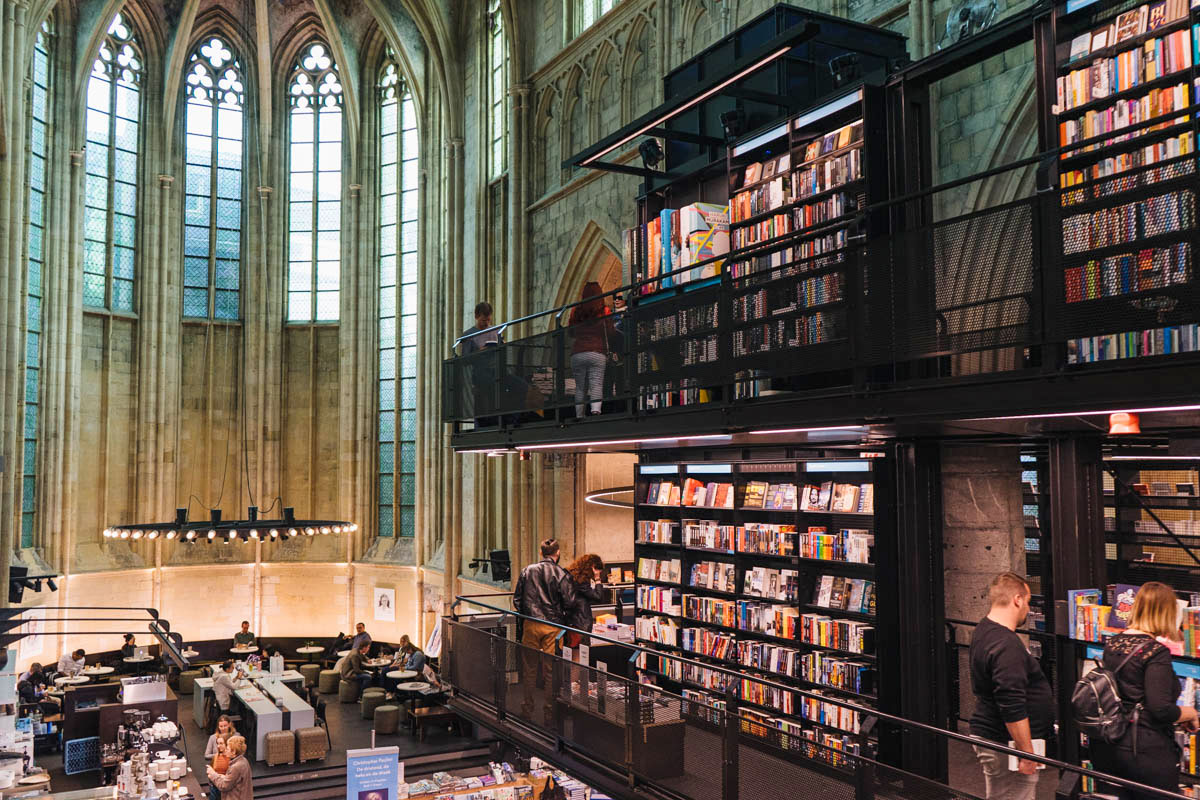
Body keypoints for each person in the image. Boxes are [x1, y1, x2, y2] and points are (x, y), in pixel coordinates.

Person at [1091, 581, 1200, 800]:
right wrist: (1190, 713)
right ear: (1166, 613)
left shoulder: (1114, 644)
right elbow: (1160, 708)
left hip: (1110, 746)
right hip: (1144, 750)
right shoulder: (1154, 652)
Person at [968, 572, 1054, 800]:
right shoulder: (1006, 644)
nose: (1027, 608)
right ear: (1017, 599)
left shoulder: (984, 630)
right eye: (1027, 602)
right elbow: (1011, 702)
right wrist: (1026, 752)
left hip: (995, 737)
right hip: (1004, 743)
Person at [513, 539, 579, 719]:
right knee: (551, 670)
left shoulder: (527, 571)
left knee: (529, 668)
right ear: (557, 553)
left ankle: (527, 708)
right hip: (553, 627)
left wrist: (528, 614)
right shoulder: (561, 573)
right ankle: (549, 713)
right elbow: (570, 602)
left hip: (531, 624)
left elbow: (517, 600)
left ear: (540, 553)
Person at [567, 282, 616, 417]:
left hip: (577, 353)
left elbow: (570, 332)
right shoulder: (604, 310)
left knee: (580, 387)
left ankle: (579, 415)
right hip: (597, 352)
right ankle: (595, 411)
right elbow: (610, 332)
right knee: (596, 384)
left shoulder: (575, 310)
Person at [563, 553, 606, 649]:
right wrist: (598, 579)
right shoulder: (581, 582)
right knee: (580, 655)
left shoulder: (570, 575)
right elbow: (598, 597)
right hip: (580, 623)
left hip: (571, 622)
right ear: (593, 568)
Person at [206, 734, 252, 800]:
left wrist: (212, 774)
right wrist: (222, 777)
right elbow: (235, 780)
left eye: (227, 748)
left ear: (233, 751)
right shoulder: (244, 760)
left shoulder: (236, 767)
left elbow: (224, 786)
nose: (226, 750)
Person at [205, 732, 231, 800]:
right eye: (218, 743)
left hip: (225, 789)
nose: (218, 746)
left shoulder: (231, 759)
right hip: (214, 788)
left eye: (221, 743)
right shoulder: (216, 756)